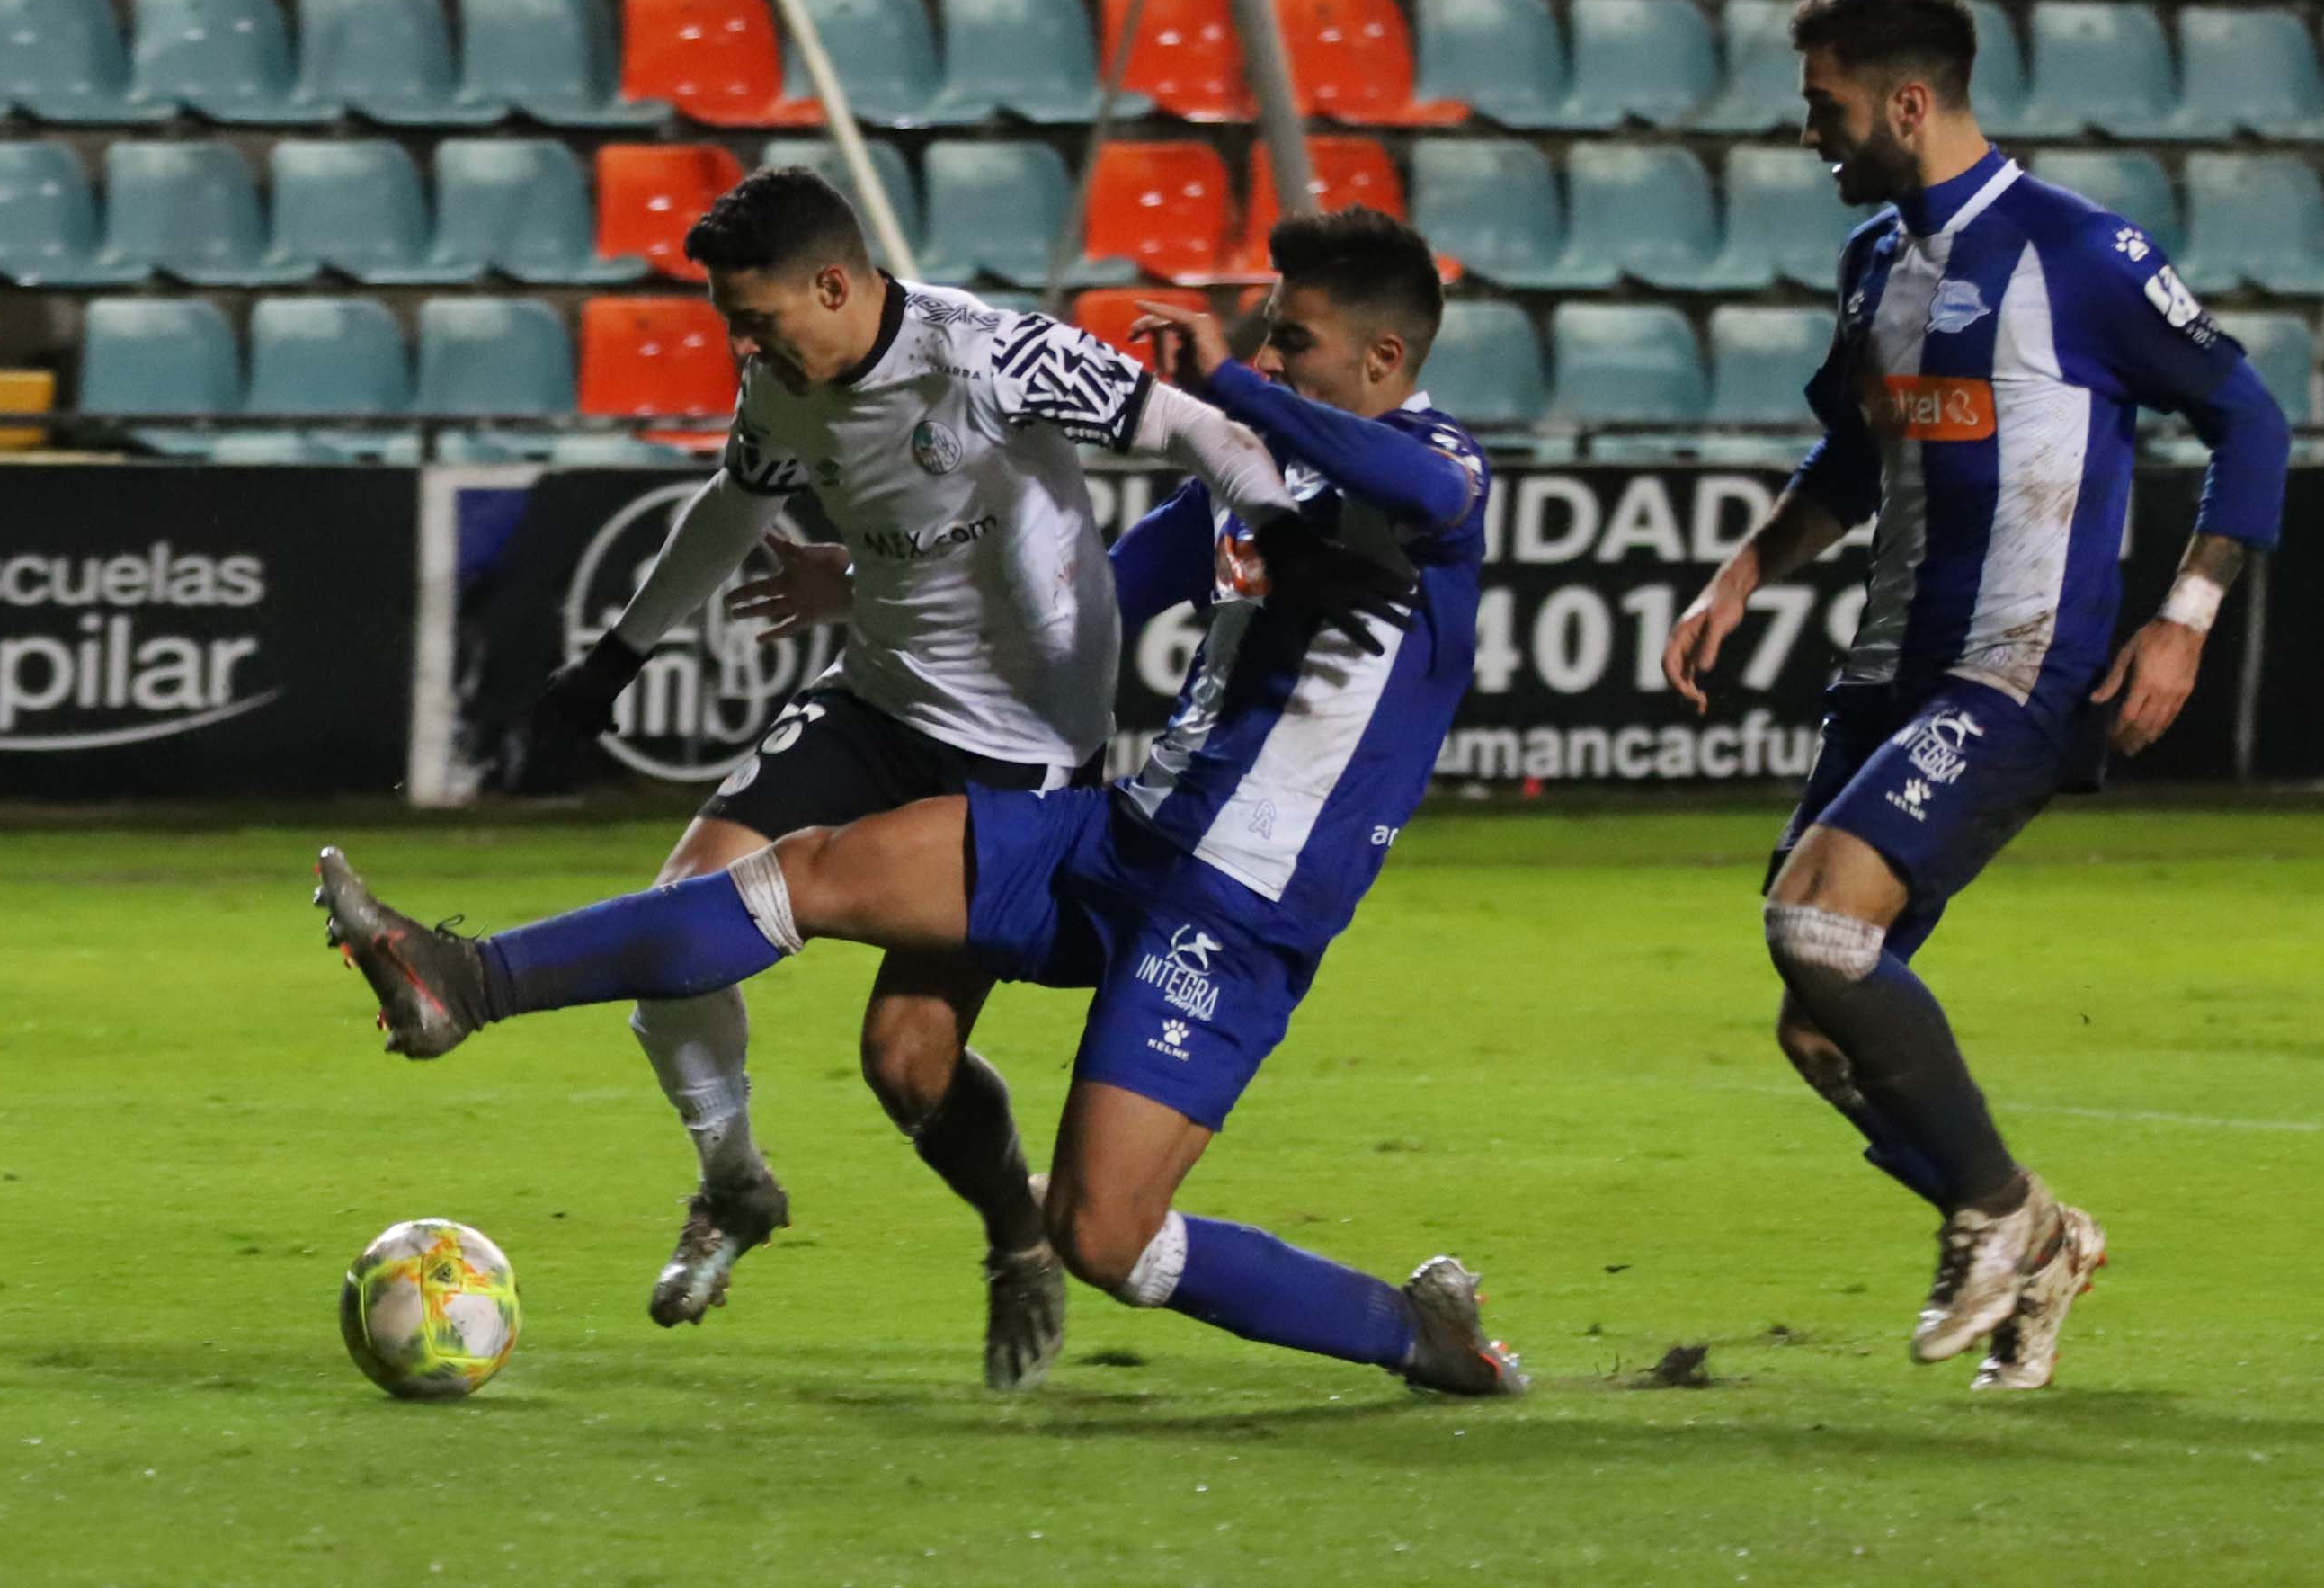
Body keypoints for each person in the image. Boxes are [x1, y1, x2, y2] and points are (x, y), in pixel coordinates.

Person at [315, 209, 1526, 1397]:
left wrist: (1220, 381)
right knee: (809, 872)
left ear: (1383, 359)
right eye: (1264, 335)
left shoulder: (1436, 476)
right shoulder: (1249, 483)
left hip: (1240, 906)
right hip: (1121, 835)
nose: (1267, 359)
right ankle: (464, 984)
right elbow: (1097, 581)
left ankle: (1412, 1332)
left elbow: (1421, 489)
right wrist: (852, 577)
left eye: (1293, 341)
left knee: (1110, 1238)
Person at [520, 166, 1392, 1387]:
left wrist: (1283, 534)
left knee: (906, 1060)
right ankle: (734, 1180)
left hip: (1019, 750)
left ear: (834, 284)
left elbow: (1194, 424)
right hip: (876, 701)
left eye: (757, 315)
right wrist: (617, 656)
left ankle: (1015, 1234)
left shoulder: (990, 354)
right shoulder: (779, 372)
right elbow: (733, 502)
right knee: (676, 934)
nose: (740, 341)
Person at [1660, 0, 2291, 1391]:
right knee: (1818, 1023)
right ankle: (2044, 1237)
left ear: (1906, 102)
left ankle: (1997, 1214)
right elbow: (1850, 453)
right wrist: (1746, 572)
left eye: (1824, 106)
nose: (1807, 131)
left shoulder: (2080, 252)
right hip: (1889, 669)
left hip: (2021, 661)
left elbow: (2249, 419)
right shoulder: (1875, 262)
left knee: (1820, 930)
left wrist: (2184, 618)